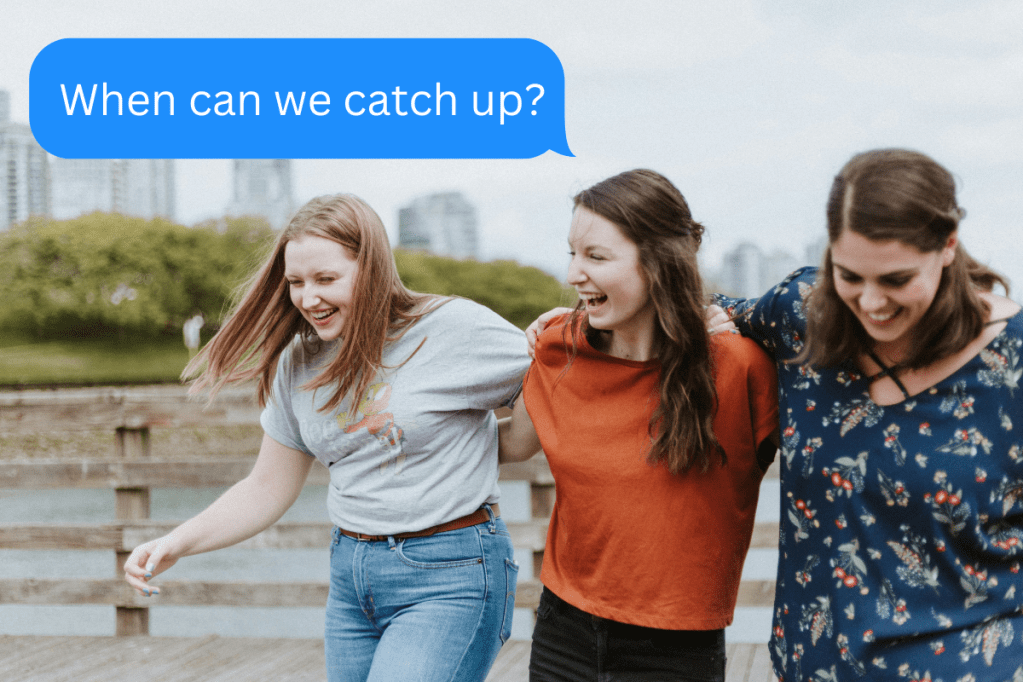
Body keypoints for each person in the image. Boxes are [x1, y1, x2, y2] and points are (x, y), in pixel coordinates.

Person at [123, 194, 530, 682]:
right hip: (353, 580)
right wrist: (176, 542)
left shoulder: (450, 330)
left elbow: (555, 380)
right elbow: (267, 487)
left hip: (451, 575)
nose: (307, 298)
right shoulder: (298, 361)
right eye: (295, 282)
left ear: (372, 270)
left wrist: (493, 439)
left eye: (326, 279)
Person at [703, 149, 1023, 680]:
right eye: (849, 275)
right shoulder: (803, 311)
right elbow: (700, 311)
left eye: (896, 280)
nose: (871, 302)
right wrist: (571, 328)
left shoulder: (1013, 365)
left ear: (948, 247)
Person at [500, 169, 779, 681]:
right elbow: (510, 445)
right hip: (563, 630)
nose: (573, 274)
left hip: (676, 650)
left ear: (658, 264)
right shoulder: (557, 348)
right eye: (572, 253)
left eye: (596, 257)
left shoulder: (740, 367)